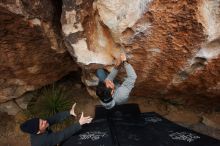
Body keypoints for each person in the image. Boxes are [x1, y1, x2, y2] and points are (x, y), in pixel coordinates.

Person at [20, 103, 92, 146]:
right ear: (38, 132)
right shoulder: (44, 140)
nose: (45, 121)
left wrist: (69, 112)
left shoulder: (41, 126)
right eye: (42, 123)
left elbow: (55, 118)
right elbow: (62, 135)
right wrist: (79, 123)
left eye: (42, 120)